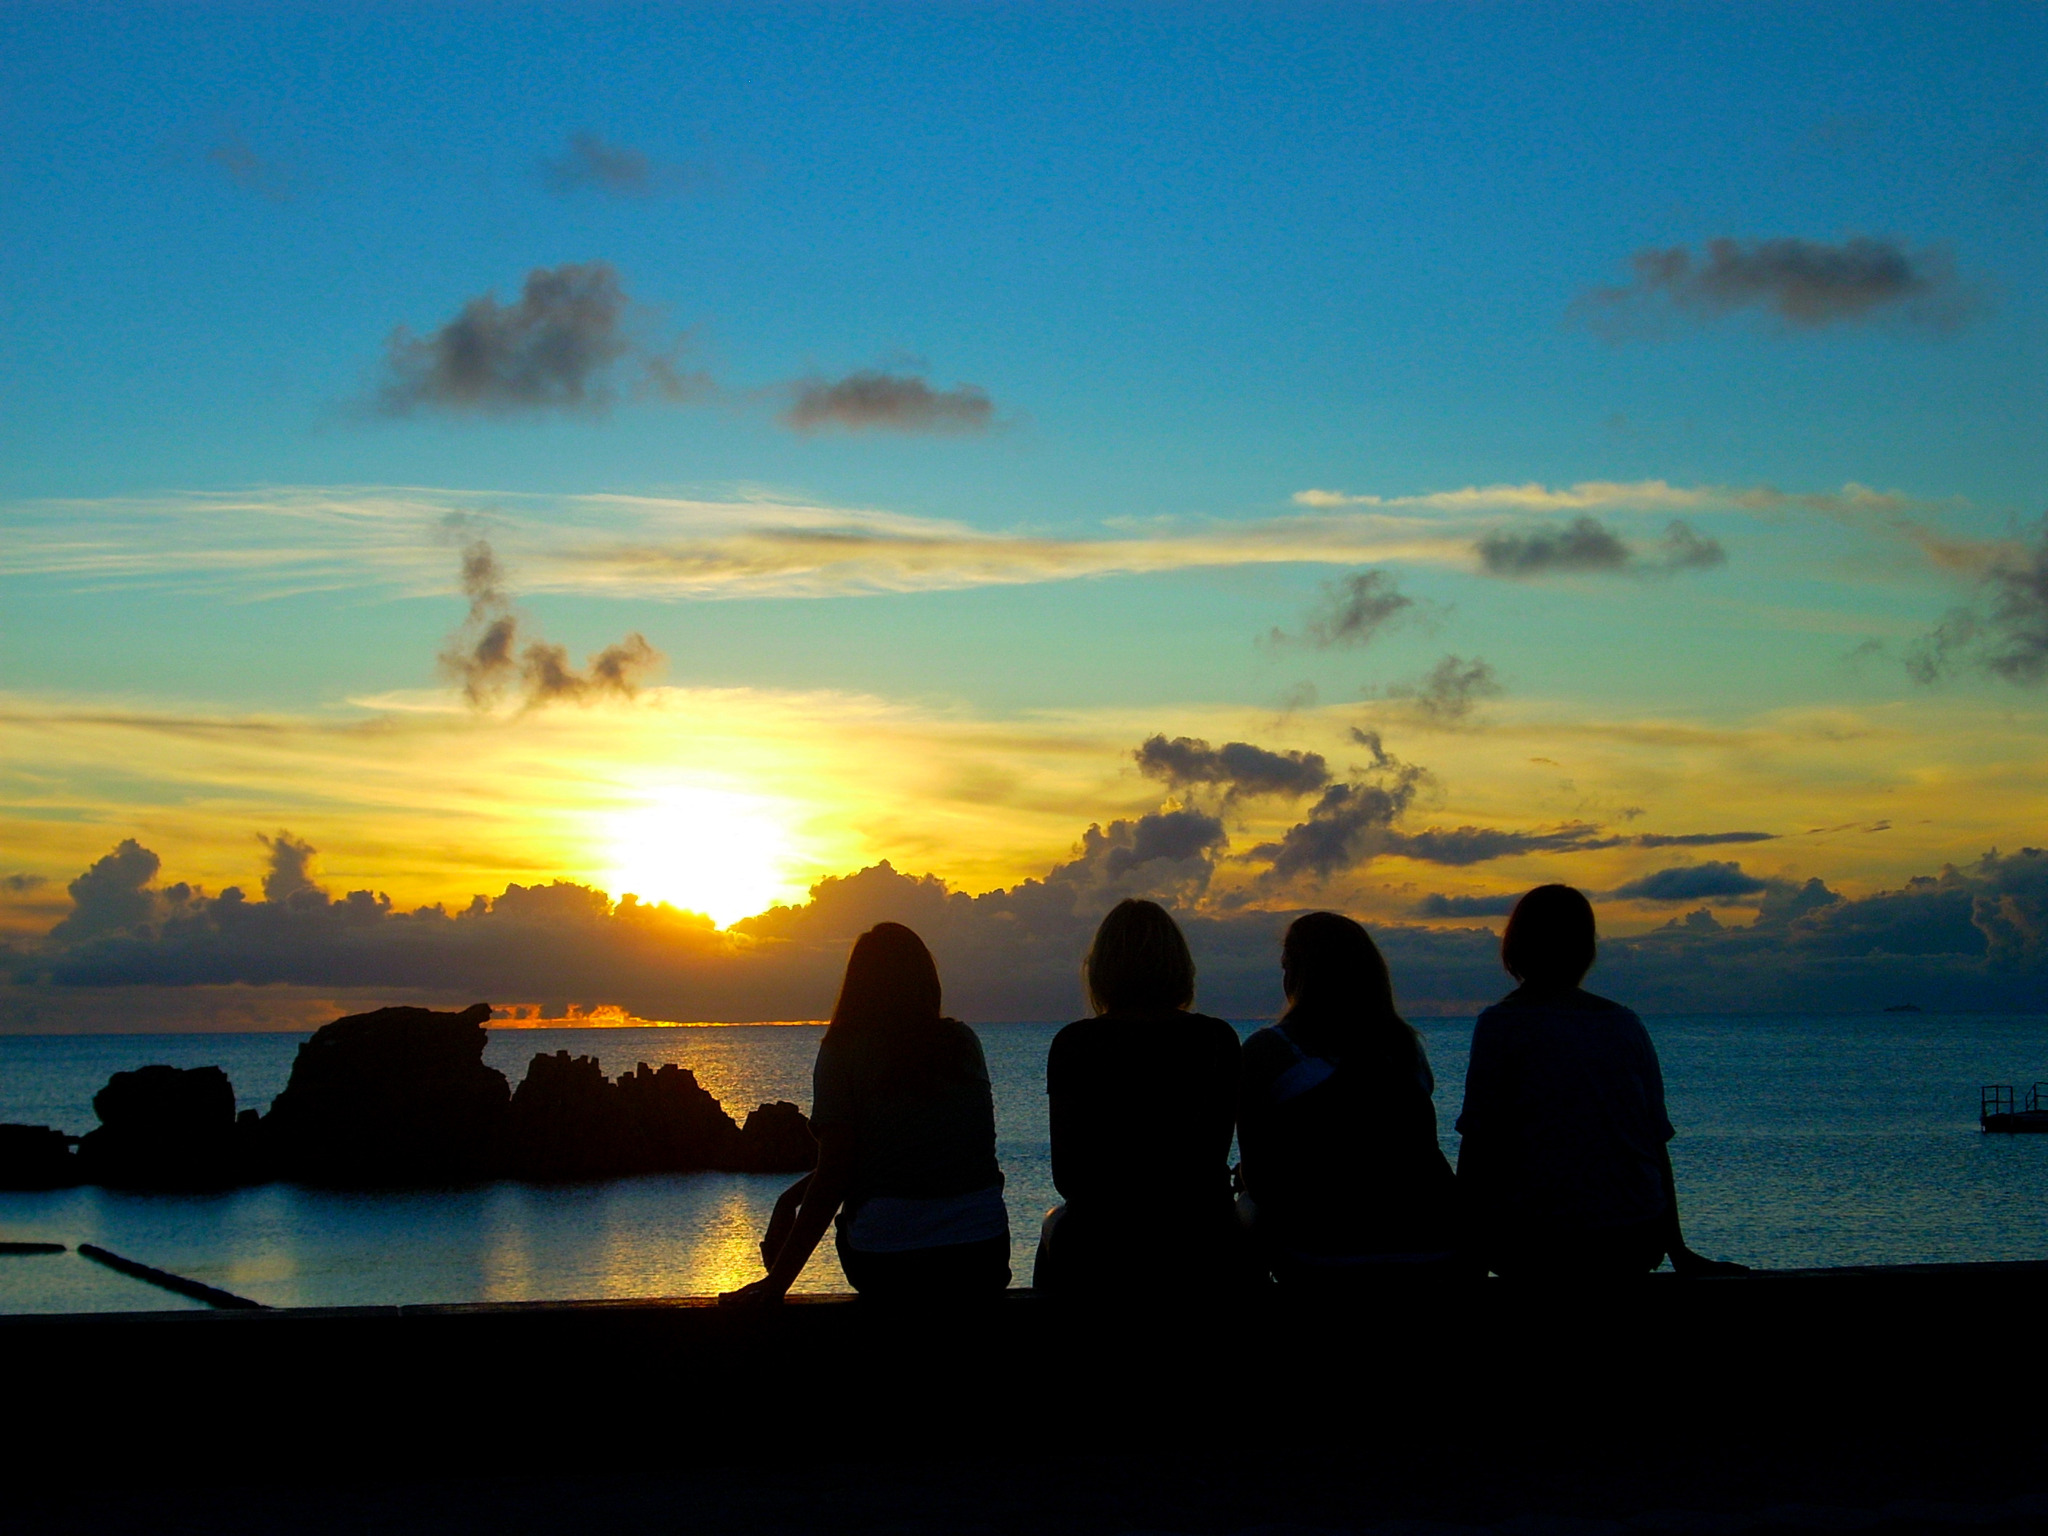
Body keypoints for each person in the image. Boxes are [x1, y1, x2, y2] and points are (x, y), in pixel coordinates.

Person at [1455, 884, 1745, 1278]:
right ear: (1585, 949)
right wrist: (1675, 1248)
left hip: (1533, 1240)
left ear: (1516, 945)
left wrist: (1465, 1252)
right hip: (1632, 1236)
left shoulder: (1501, 1025)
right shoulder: (1623, 1024)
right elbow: (1654, 1144)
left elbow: (1479, 1145)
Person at [720, 922, 1010, 1305]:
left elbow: (837, 1171)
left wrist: (776, 1284)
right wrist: (789, 1197)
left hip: (889, 1263)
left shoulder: (843, 1050)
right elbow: (926, 1153)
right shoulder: (962, 1043)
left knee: (862, 1224)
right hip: (981, 1255)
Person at [1034, 898, 1249, 1294]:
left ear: (1101, 968)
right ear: (1179, 965)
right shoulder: (1218, 1039)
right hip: (1203, 1233)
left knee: (1055, 1226)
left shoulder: (1075, 1044)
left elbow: (1068, 1176)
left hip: (1105, 1237)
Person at [1238, 911, 1462, 1287]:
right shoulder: (1405, 1048)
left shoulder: (1269, 1050)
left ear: (1296, 972)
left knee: (1245, 1209)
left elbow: (1262, 1183)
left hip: (1328, 1257)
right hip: (1439, 1246)